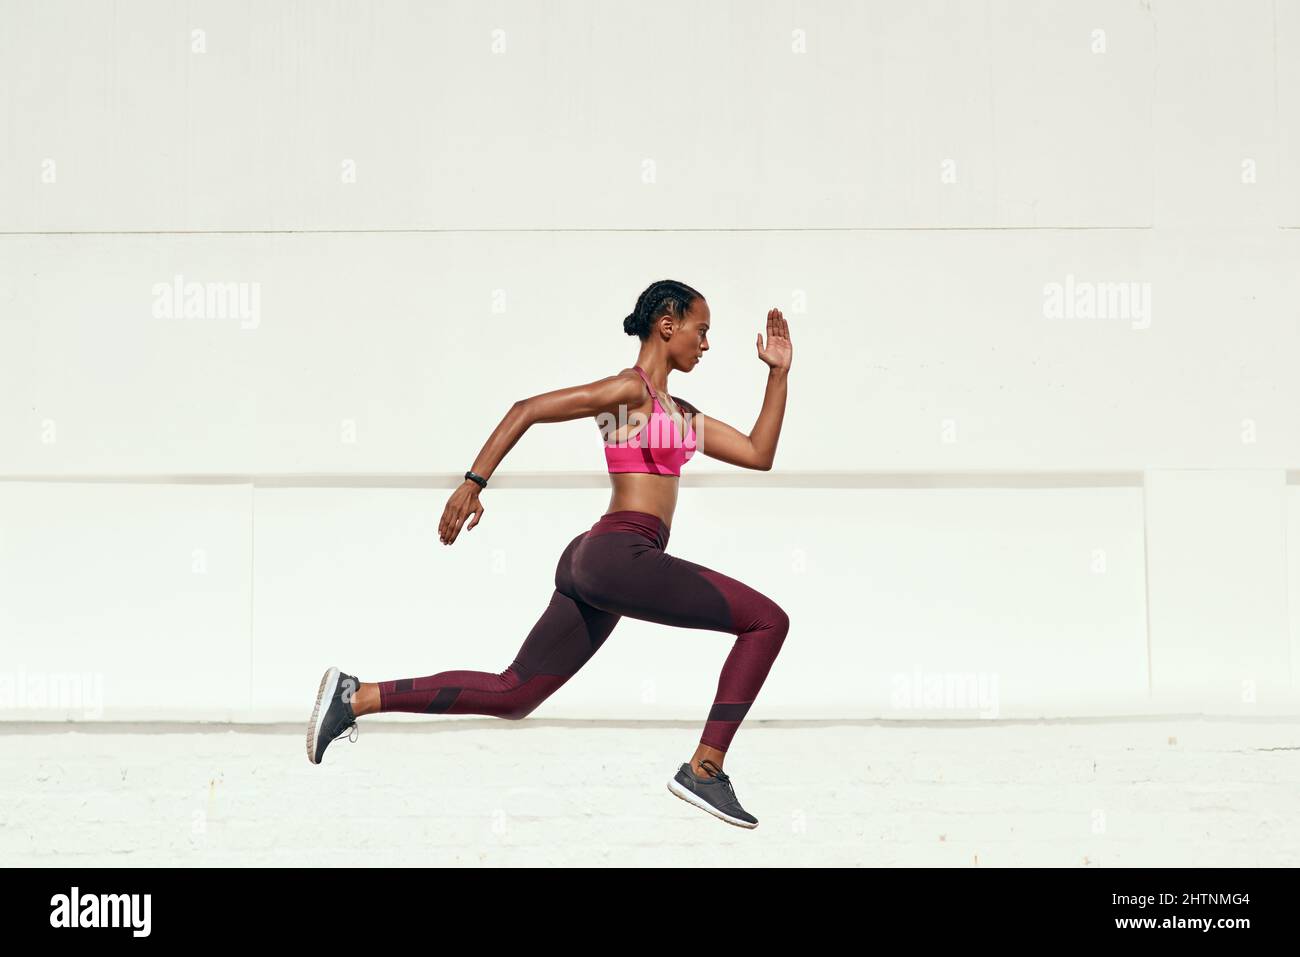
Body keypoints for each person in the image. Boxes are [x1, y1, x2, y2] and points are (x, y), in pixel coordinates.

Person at [307, 279, 792, 828]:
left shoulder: (681, 412)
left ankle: (355, 697)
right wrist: (474, 482)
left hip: (601, 562)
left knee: (514, 694)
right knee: (766, 621)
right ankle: (705, 769)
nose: (706, 345)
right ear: (668, 324)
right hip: (618, 554)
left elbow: (758, 453)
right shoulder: (627, 392)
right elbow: (528, 408)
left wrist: (777, 374)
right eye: (701, 331)